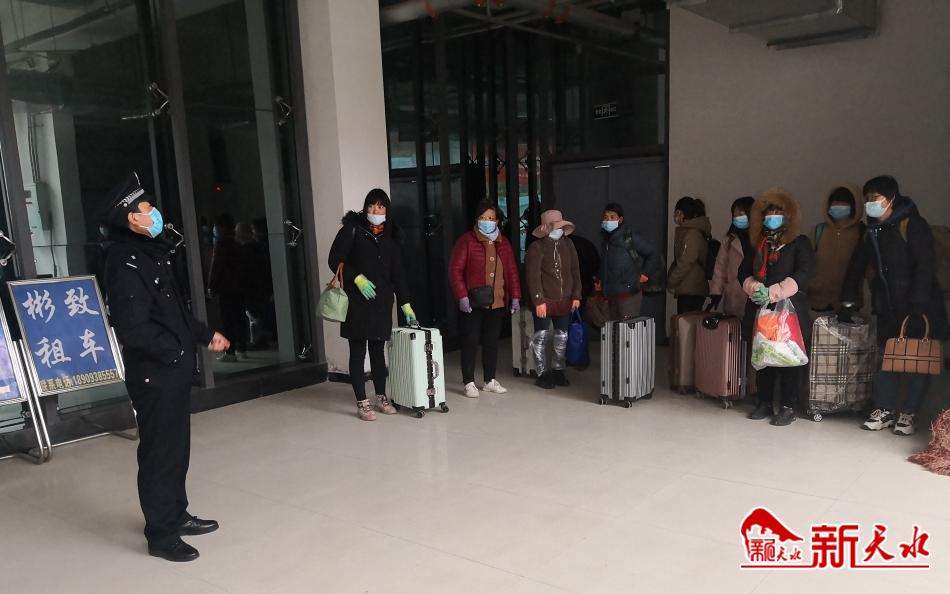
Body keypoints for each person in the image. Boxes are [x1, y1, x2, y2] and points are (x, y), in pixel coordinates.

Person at [101, 172, 230, 562]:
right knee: (159, 453)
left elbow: (174, 312)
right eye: (147, 207)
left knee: (176, 448)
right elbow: (133, 328)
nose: (154, 211)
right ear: (132, 218)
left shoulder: (149, 252)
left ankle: (176, 514)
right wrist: (175, 352)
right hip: (154, 373)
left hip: (170, 370)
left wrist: (204, 335)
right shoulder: (124, 262)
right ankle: (161, 534)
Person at [841, 176, 949, 436]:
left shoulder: (912, 224)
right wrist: (848, 299)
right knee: (886, 359)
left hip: (920, 307)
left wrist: (918, 304)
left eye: (875, 198)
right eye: (867, 199)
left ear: (891, 199)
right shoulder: (872, 231)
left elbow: (925, 266)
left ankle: (909, 413)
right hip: (888, 307)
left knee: (917, 360)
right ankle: (885, 409)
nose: (871, 203)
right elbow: (856, 266)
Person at [328, 189, 417, 421]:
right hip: (357, 302)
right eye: (371, 205)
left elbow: (398, 274)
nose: (375, 210)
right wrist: (356, 277)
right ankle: (362, 402)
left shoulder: (391, 236)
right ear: (365, 207)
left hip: (381, 303)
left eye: (380, 206)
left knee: (378, 352)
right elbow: (334, 259)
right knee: (357, 352)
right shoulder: (352, 229)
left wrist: (406, 304)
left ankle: (381, 396)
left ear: (387, 209)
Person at [739, 189, 815, 426]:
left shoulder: (799, 243)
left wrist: (777, 291)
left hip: (789, 311)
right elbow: (743, 271)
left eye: (777, 213)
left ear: (788, 217)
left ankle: (788, 406)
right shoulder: (757, 243)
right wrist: (754, 287)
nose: (772, 218)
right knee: (764, 356)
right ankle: (763, 401)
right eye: (768, 214)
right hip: (761, 310)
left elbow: (805, 272)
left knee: (788, 358)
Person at [448, 199, 522, 398]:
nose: (487, 221)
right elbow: (455, 270)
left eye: (490, 218)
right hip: (472, 302)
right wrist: (462, 296)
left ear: (497, 221)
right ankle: (469, 382)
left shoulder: (503, 243)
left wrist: (515, 296)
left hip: (497, 301)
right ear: (476, 219)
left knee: (491, 342)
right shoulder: (467, 241)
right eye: (483, 217)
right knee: (470, 341)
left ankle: (489, 380)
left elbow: (512, 272)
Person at [525, 210, 582, 389]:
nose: (559, 230)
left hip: (564, 299)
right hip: (545, 300)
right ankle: (542, 373)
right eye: (555, 227)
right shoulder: (536, 247)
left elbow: (575, 271)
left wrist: (576, 295)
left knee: (561, 336)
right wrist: (538, 300)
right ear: (546, 228)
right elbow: (533, 276)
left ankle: (558, 370)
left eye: (560, 226)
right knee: (541, 337)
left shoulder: (568, 244)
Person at [808, 186, 865, 313]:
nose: (838, 206)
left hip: (849, 303)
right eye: (835, 202)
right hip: (817, 300)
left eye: (844, 202)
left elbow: (869, 269)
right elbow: (805, 262)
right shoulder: (818, 230)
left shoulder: (861, 232)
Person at [599, 202, 660, 320]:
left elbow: (653, 252)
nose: (608, 220)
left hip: (628, 295)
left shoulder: (629, 238)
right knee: (613, 329)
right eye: (606, 217)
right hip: (611, 296)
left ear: (620, 219)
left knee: (628, 329)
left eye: (612, 217)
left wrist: (645, 274)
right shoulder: (606, 241)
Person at [207, 213, 247, 361]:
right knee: (240, 317)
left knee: (227, 319)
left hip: (226, 288)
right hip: (240, 287)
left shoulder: (221, 245)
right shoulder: (238, 245)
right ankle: (242, 349)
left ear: (220, 228)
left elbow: (216, 267)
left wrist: (211, 286)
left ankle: (230, 352)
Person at [709, 197, 755, 318]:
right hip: (734, 294)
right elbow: (720, 267)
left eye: (741, 214)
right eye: (735, 215)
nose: (738, 218)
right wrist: (716, 292)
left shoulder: (761, 239)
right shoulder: (729, 240)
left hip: (755, 293)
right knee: (734, 326)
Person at [668, 196, 712, 314]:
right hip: (692, 287)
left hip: (690, 289)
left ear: (681, 213)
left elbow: (685, 261)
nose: (675, 216)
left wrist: (672, 281)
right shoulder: (696, 231)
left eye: (676, 212)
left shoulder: (692, 233)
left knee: (686, 322)